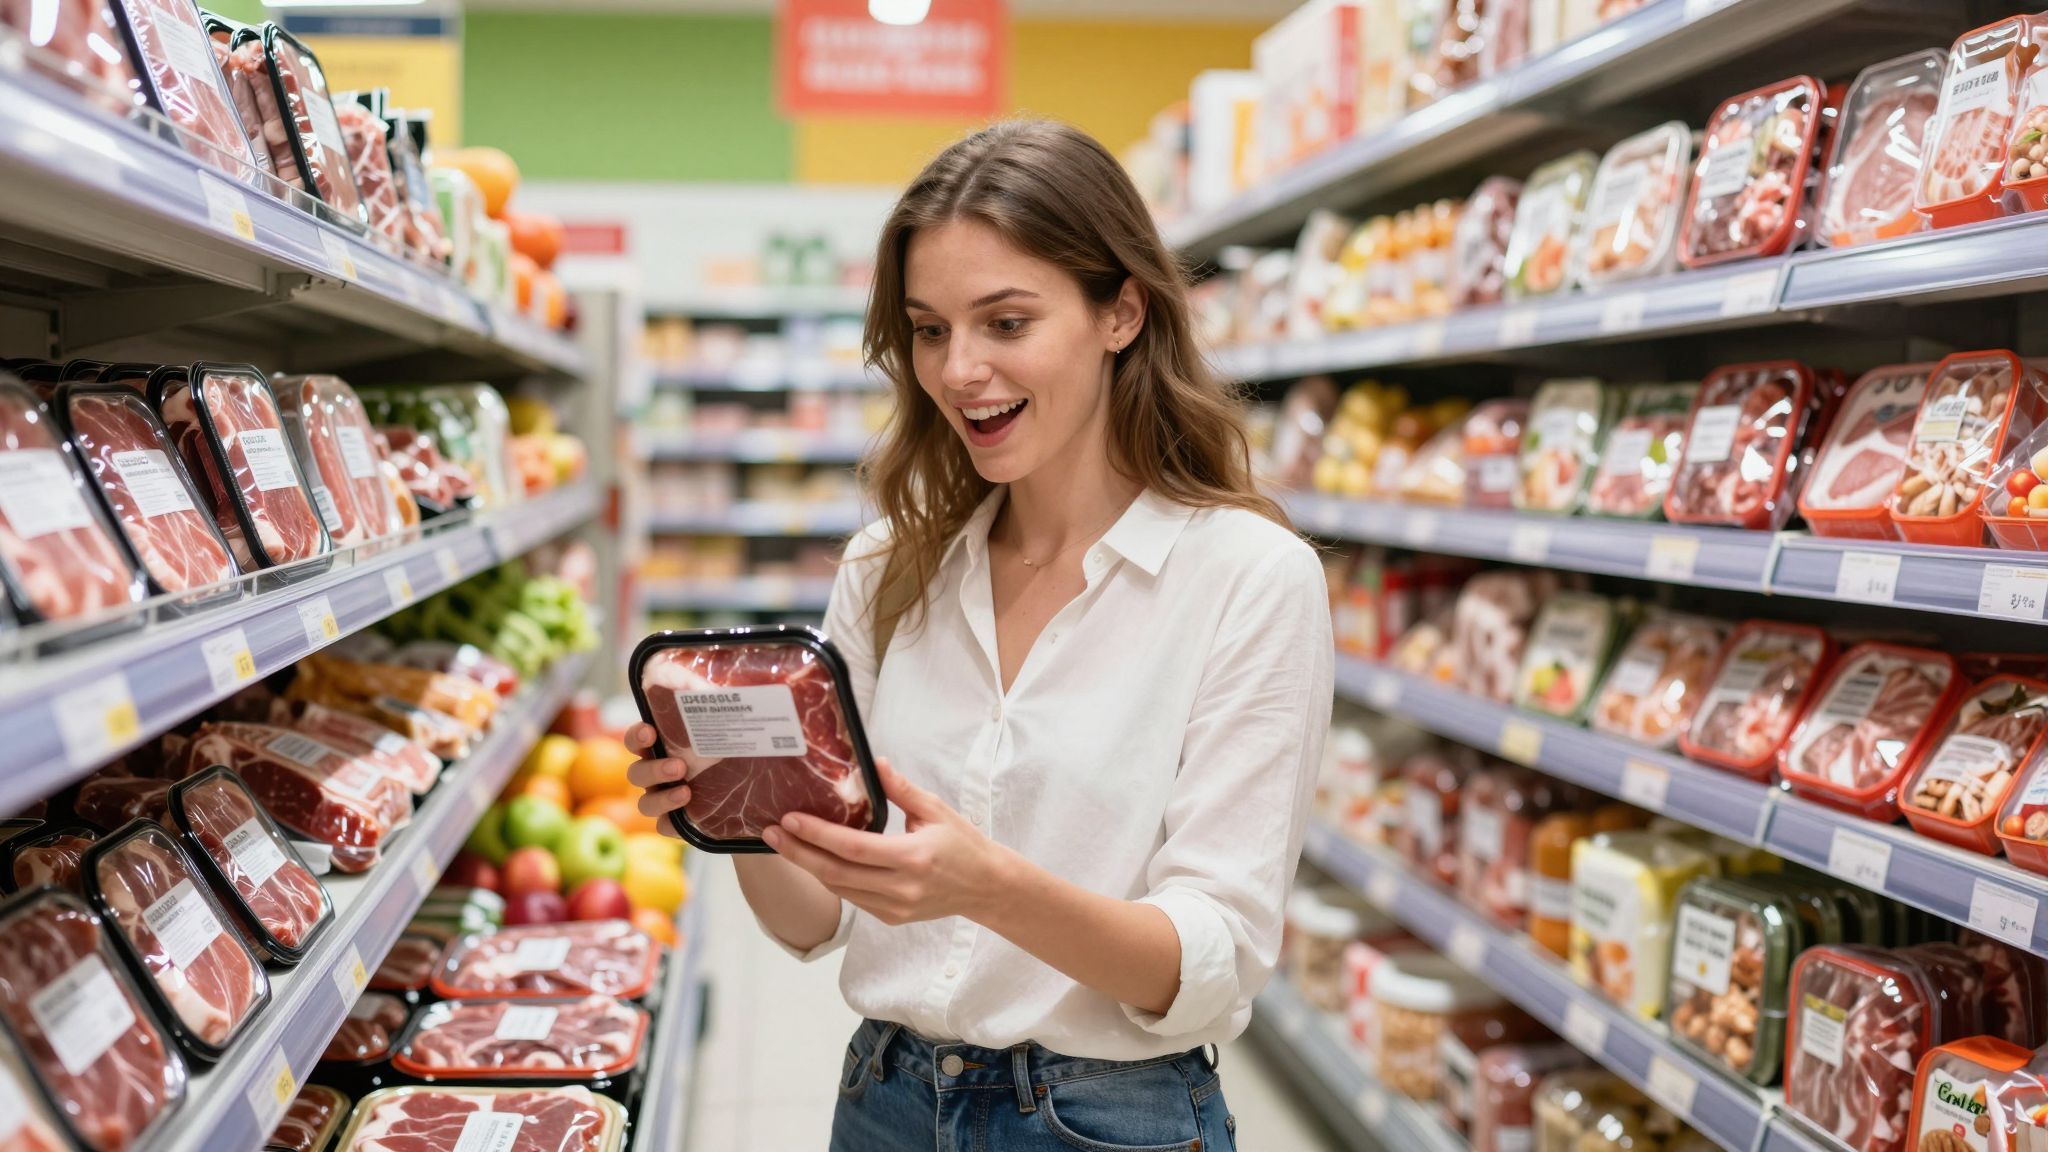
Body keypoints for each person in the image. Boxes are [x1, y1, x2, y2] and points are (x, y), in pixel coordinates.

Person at [627, 119, 1334, 1151]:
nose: (959, 370)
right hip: (884, 1100)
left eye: (1006, 322)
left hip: (1108, 1122)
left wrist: (987, 888)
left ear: (1121, 311)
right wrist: (730, 810)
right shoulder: (887, 568)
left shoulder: (1248, 578)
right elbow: (815, 922)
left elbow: (1209, 960)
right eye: (928, 330)